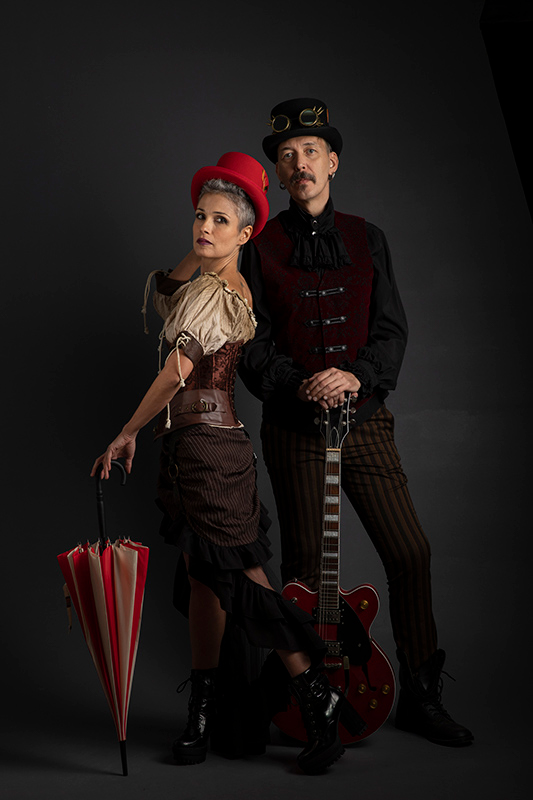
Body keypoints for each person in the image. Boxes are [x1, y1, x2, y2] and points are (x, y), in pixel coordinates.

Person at [91, 151, 364, 774]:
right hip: (191, 449)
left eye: (220, 221)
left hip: (211, 451)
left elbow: (175, 373)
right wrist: (210, 237)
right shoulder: (203, 281)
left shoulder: (219, 293)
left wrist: (126, 433)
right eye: (198, 216)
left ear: (246, 236)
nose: (204, 227)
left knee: (243, 580)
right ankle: (204, 712)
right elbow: (166, 287)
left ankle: (316, 696)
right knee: (203, 579)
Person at [238, 99, 473, 747]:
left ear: (332, 162)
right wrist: (299, 382)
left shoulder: (369, 237)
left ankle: (420, 696)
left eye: (311, 151)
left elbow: (391, 330)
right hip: (293, 430)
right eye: (288, 156)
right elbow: (250, 346)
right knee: (306, 573)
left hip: (364, 423)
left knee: (410, 552)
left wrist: (355, 376)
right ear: (278, 174)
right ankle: (314, 700)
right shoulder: (259, 248)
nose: (300, 163)